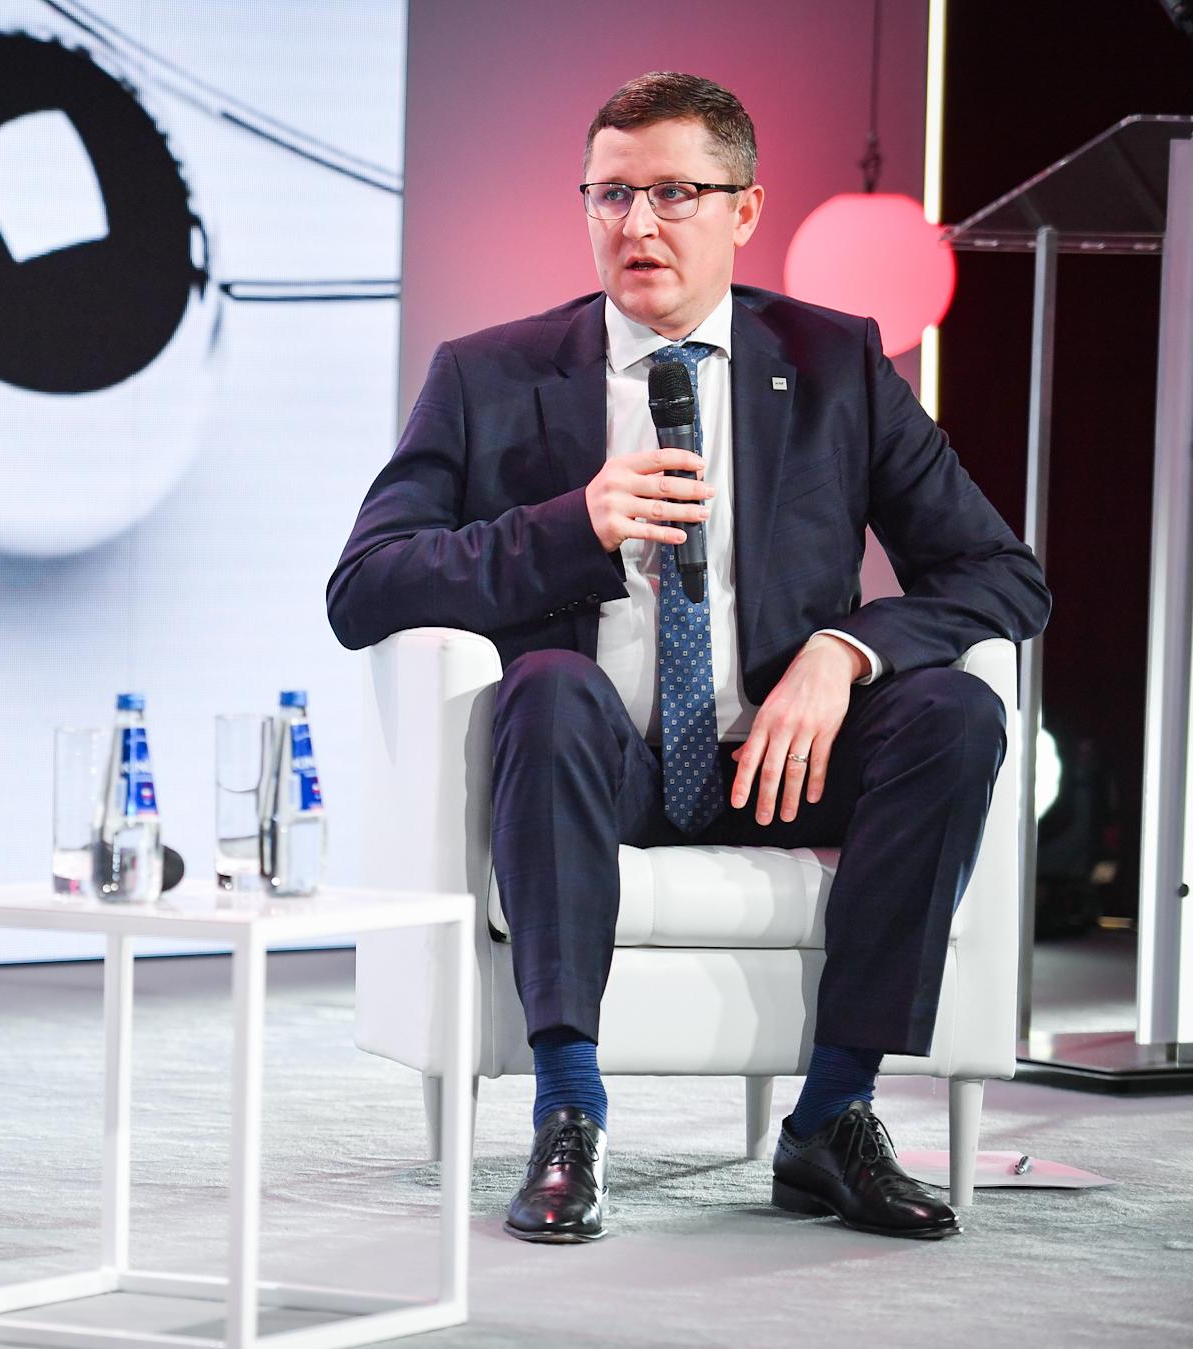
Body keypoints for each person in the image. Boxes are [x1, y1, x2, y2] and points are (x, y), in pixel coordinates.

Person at [327, 74, 1050, 1243]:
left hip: (779, 762)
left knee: (955, 716)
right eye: (609, 195)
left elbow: (1001, 575)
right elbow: (364, 586)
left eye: (673, 193)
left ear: (743, 209)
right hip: (592, 770)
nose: (637, 224)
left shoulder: (834, 366)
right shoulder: (489, 374)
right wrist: (571, 526)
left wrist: (846, 650)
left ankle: (832, 1114)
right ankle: (567, 1113)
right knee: (546, 688)